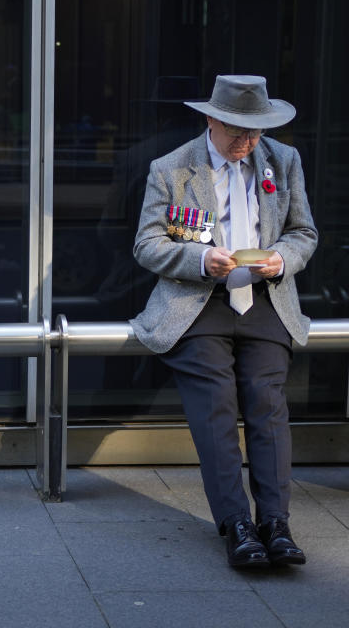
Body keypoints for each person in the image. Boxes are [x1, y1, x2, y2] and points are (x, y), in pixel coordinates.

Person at [131, 75, 317, 568]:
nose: (248, 142)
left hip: (265, 300)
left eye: (256, 132)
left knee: (267, 403)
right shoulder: (170, 169)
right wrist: (199, 261)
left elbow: (304, 232)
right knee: (216, 406)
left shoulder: (283, 160)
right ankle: (236, 525)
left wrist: (282, 258)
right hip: (199, 304)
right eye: (237, 130)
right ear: (211, 118)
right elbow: (147, 244)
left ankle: (275, 523)